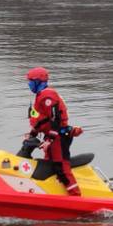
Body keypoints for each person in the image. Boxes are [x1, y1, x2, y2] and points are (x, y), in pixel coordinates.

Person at [25, 67, 82, 196]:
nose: (28, 84)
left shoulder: (47, 96)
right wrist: (32, 134)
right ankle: (52, 193)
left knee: (60, 168)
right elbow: (42, 120)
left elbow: (56, 119)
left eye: (30, 81)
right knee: (48, 165)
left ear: (38, 81)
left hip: (58, 137)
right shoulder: (41, 96)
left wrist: (50, 140)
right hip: (52, 136)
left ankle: (76, 196)